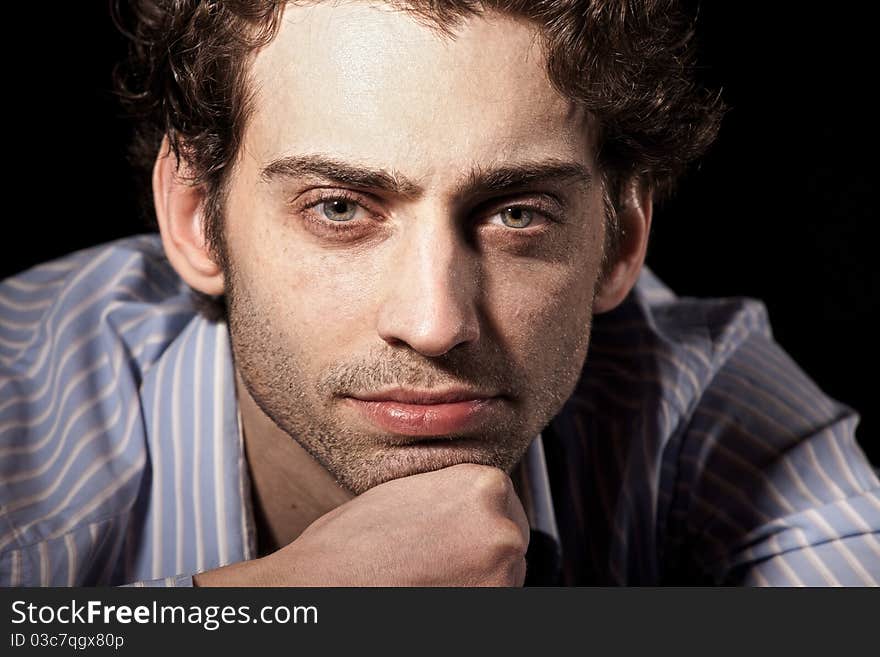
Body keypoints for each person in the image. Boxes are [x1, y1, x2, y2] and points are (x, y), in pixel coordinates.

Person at [1, 0, 878, 587]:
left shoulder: (703, 406)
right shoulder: (21, 441)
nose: (434, 322)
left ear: (621, 239)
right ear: (197, 220)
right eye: (339, 207)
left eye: (518, 214)